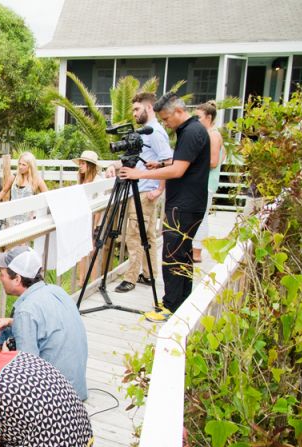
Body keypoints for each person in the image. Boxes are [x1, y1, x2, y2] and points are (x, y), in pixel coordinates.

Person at [118, 92, 210, 323]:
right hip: (188, 203)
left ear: (178, 111)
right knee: (182, 255)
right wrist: (160, 164)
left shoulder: (191, 132)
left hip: (184, 205)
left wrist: (140, 174)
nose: (165, 124)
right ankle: (181, 301)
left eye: (167, 119)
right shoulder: (192, 130)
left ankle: (170, 306)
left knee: (172, 255)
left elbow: (177, 170)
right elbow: (182, 163)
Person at [0, 246, 89, 400]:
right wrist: (11, 322)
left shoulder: (26, 311)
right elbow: (47, 326)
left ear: (17, 279)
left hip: (55, 400)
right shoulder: (55, 291)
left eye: (2, 274)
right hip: (76, 389)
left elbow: (27, 371)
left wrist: (6, 357)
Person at [111, 92, 174, 293]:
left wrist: (159, 189)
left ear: (148, 108)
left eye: (137, 109)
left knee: (134, 236)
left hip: (144, 191)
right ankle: (149, 274)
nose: (134, 113)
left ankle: (130, 278)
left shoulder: (154, 132)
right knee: (148, 235)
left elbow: (167, 161)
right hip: (144, 190)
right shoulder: (148, 132)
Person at [191, 101, 226, 262]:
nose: (196, 121)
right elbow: (223, 155)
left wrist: (192, 163)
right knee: (199, 217)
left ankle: (196, 252)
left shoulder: (213, 135)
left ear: (209, 117)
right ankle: (195, 250)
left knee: (201, 218)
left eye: (199, 117)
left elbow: (213, 161)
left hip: (206, 184)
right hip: (205, 183)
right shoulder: (212, 134)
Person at [75, 150, 111, 283]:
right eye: (80, 163)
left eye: (83, 163)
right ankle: (81, 280)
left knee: (92, 252)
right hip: (83, 220)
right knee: (81, 252)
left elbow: (99, 207)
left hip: (95, 222)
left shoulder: (98, 181)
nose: (80, 166)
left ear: (90, 165)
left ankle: (94, 281)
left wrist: (94, 226)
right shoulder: (81, 180)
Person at [0, 152, 48, 226]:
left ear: (30, 166)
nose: (20, 167)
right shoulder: (14, 177)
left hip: (28, 219)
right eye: (19, 164)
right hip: (12, 216)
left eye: (23, 165)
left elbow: (47, 195)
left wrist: (38, 211)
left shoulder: (36, 180)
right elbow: (4, 191)